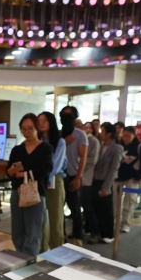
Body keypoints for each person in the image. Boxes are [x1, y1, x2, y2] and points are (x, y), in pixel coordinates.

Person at [7, 114, 53, 257]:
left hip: (36, 193)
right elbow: (9, 171)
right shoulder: (17, 150)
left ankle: (29, 261)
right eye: (23, 129)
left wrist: (25, 173)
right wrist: (13, 171)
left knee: (33, 231)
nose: (26, 132)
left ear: (37, 128)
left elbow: (46, 170)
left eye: (30, 128)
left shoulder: (45, 148)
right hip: (17, 191)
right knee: (17, 230)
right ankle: (20, 257)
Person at [88, 123, 123, 244]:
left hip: (105, 181)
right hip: (95, 179)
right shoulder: (100, 145)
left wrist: (106, 186)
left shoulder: (117, 148)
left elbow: (114, 169)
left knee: (106, 209)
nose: (100, 133)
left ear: (109, 134)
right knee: (95, 207)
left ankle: (107, 234)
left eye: (102, 131)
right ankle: (95, 231)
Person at [60, 106, 88, 247]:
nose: (66, 118)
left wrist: (78, 178)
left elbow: (83, 157)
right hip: (59, 176)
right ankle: (61, 236)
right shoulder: (58, 134)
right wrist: (63, 141)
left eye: (70, 116)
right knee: (59, 209)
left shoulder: (80, 135)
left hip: (73, 175)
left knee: (75, 209)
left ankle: (78, 237)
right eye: (64, 115)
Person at [39, 111, 67, 250]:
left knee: (56, 220)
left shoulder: (59, 141)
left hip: (54, 180)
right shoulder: (37, 141)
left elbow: (56, 165)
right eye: (39, 121)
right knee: (40, 219)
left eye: (45, 120)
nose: (42, 123)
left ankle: (57, 253)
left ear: (51, 122)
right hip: (40, 181)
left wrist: (45, 178)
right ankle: (42, 251)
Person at [115, 126, 141, 233]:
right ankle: (115, 223)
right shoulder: (119, 146)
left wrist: (138, 176)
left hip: (131, 179)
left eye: (128, 136)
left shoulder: (140, 148)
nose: (125, 138)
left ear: (134, 136)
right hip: (117, 178)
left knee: (129, 203)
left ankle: (126, 224)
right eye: (124, 136)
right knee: (115, 203)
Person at [80, 121, 100, 236]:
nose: (87, 130)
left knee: (86, 205)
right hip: (79, 176)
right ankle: (86, 229)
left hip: (87, 178)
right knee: (81, 204)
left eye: (89, 128)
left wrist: (81, 166)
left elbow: (92, 160)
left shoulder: (94, 141)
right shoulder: (81, 139)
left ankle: (94, 230)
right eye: (85, 127)